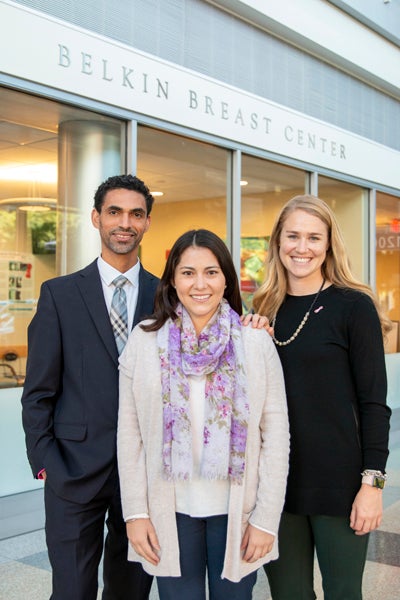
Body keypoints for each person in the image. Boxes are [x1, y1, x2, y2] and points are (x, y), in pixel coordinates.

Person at [117, 229, 290, 599]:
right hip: (170, 512)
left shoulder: (255, 342)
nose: (200, 284)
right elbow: (129, 436)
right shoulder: (145, 340)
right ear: (172, 280)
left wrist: (265, 520)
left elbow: (276, 436)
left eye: (211, 272)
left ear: (226, 279)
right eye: (187, 272)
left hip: (238, 513)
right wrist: (135, 514)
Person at [21, 174, 159, 600]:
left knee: (131, 589)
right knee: (72, 590)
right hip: (72, 468)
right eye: (114, 212)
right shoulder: (59, 294)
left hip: (145, 472)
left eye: (136, 214)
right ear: (96, 218)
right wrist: (46, 462)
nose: (125, 222)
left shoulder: (167, 296)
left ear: (147, 223)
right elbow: (39, 391)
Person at [252, 194, 392, 600]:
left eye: (314, 237)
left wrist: (373, 485)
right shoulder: (264, 310)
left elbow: (374, 404)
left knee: (343, 593)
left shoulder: (353, 306)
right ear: (278, 242)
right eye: (293, 236)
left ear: (328, 244)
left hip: (340, 482)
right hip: (278, 483)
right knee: (288, 594)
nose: (302, 247)